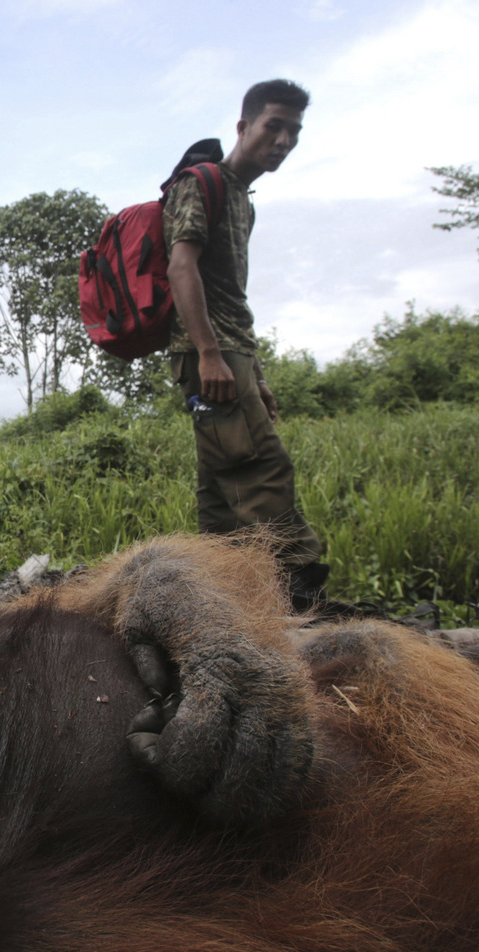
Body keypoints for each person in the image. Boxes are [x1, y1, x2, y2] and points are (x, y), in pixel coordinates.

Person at [163, 78, 328, 605]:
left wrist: (254, 372)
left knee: (220, 481)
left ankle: (218, 596)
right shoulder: (201, 182)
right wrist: (211, 353)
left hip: (229, 354)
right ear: (244, 126)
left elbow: (231, 294)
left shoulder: (241, 200)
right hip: (206, 352)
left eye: (293, 131)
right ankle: (297, 593)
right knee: (262, 468)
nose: (282, 140)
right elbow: (180, 266)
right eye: (272, 126)